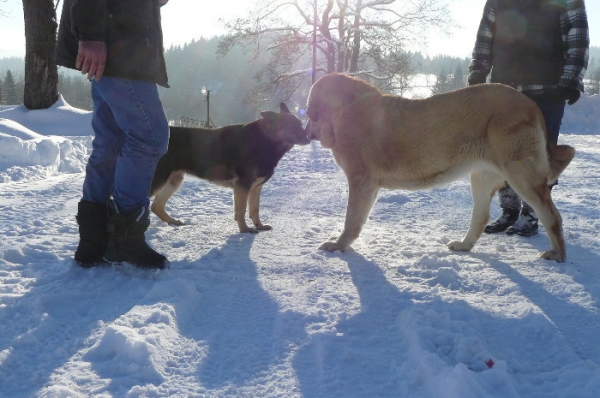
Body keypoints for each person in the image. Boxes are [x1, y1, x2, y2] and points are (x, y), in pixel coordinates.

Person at [55, 0, 171, 269]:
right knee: (149, 138)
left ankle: (93, 241)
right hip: (119, 46)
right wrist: (91, 34)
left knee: (111, 141)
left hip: (120, 43)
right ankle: (124, 239)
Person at [468, 0, 589, 237]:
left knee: (540, 154)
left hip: (547, 88)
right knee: (501, 151)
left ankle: (532, 212)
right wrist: (478, 73)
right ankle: (510, 208)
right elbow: (485, 38)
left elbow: (578, 36)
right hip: (505, 89)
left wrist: (571, 78)